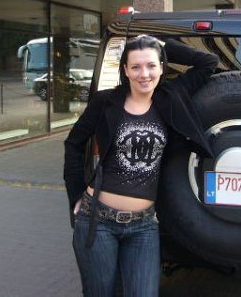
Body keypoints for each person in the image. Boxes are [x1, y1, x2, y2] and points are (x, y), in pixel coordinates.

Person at [64, 35, 219, 297]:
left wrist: (161, 45)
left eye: (151, 65)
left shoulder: (171, 97)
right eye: (135, 67)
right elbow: (73, 144)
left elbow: (208, 62)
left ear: (162, 67)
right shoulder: (105, 102)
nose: (144, 74)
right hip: (97, 221)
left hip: (143, 226)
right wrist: (76, 196)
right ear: (125, 70)